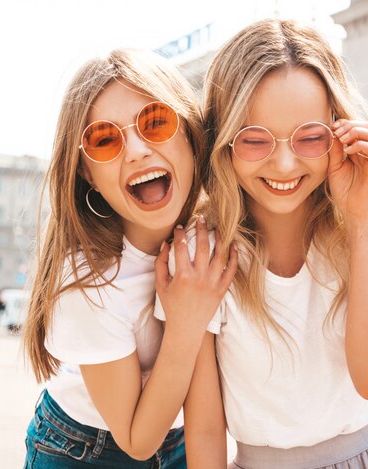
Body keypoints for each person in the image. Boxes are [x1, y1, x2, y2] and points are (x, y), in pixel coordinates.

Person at [158, 19, 368, 468]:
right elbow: (206, 428)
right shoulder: (202, 257)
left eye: (310, 137)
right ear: (223, 142)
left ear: (339, 128)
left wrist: (361, 222)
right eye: (255, 140)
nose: (285, 163)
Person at [21, 48, 237, 469]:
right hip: (84, 449)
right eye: (105, 139)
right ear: (87, 174)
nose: (137, 150)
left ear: (191, 133)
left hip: (179, 440)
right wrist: (186, 322)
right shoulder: (89, 282)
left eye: (156, 122)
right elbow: (137, 440)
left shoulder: (209, 235)